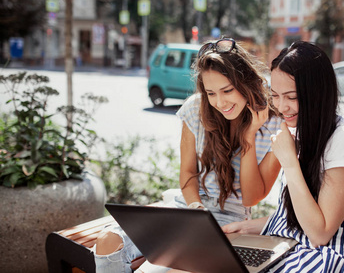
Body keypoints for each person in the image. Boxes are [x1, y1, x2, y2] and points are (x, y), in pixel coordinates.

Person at [94, 38, 283, 273]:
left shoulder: (274, 125)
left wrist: (248, 138)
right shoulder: (196, 109)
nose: (220, 102)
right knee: (107, 241)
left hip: (228, 221)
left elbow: (250, 198)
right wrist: (195, 208)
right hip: (187, 210)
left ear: (246, 83)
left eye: (227, 90)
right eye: (211, 93)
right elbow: (187, 174)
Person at [222, 40, 344, 272]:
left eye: (292, 97)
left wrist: (291, 162)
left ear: (318, 94)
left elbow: (320, 233)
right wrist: (244, 228)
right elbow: (293, 217)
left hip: (330, 257)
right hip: (292, 246)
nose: (282, 107)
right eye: (275, 96)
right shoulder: (298, 131)